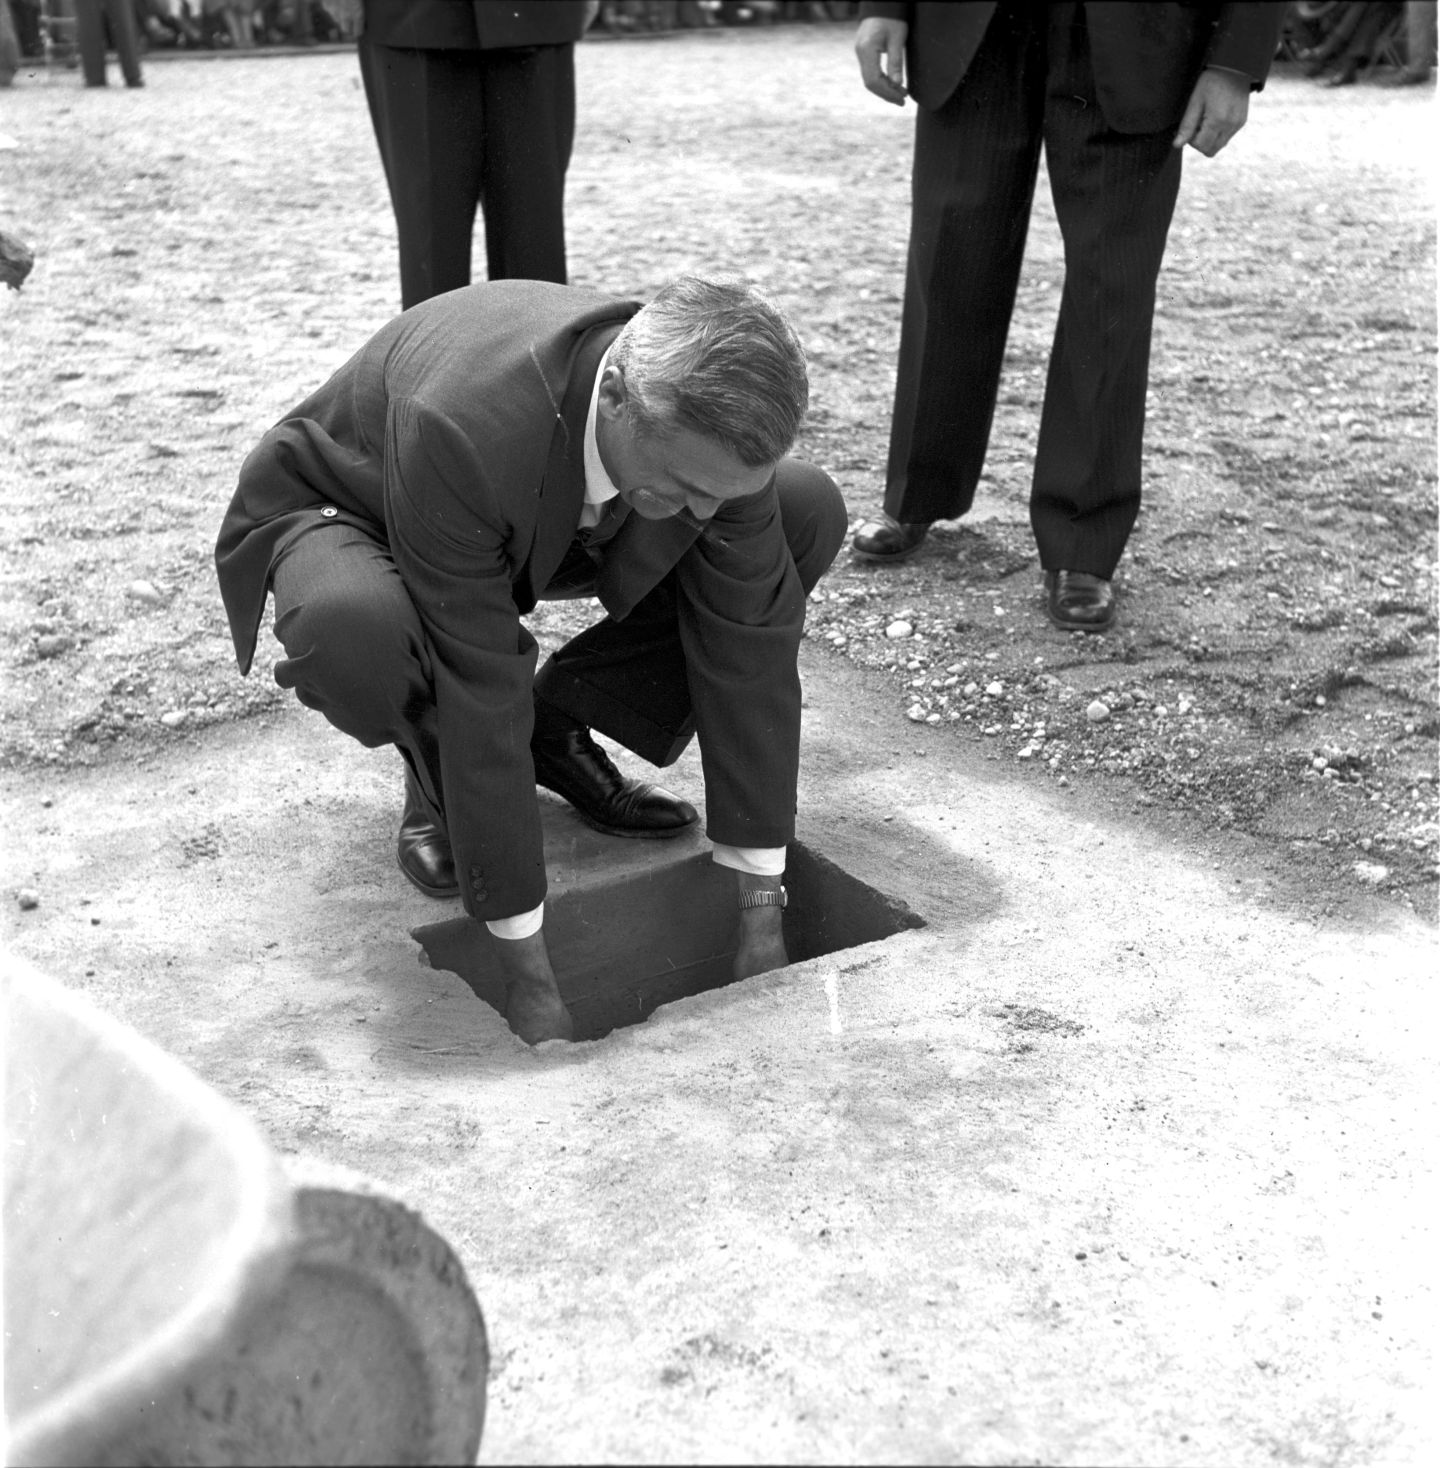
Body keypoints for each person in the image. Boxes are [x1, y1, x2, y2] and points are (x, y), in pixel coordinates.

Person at [215, 277, 848, 1045]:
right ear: (614, 393)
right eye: (688, 487)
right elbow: (480, 673)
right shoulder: (465, 420)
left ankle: (559, 724)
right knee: (357, 633)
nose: (708, 512)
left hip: (544, 508)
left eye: (721, 493)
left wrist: (759, 917)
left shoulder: (695, 434)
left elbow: (750, 656)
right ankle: (433, 775)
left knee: (800, 511)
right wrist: (530, 977)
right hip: (363, 506)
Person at [850, 2, 1285, 631]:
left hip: (1140, 33)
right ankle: (918, 489)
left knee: (1113, 286)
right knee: (949, 261)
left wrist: (1236, 61)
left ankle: (1083, 541)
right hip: (972, 25)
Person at [357, 0, 593, 309]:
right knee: (430, 236)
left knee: (534, 233)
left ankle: (534, 356)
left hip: (536, 17)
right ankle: (433, 357)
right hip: (410, 18)